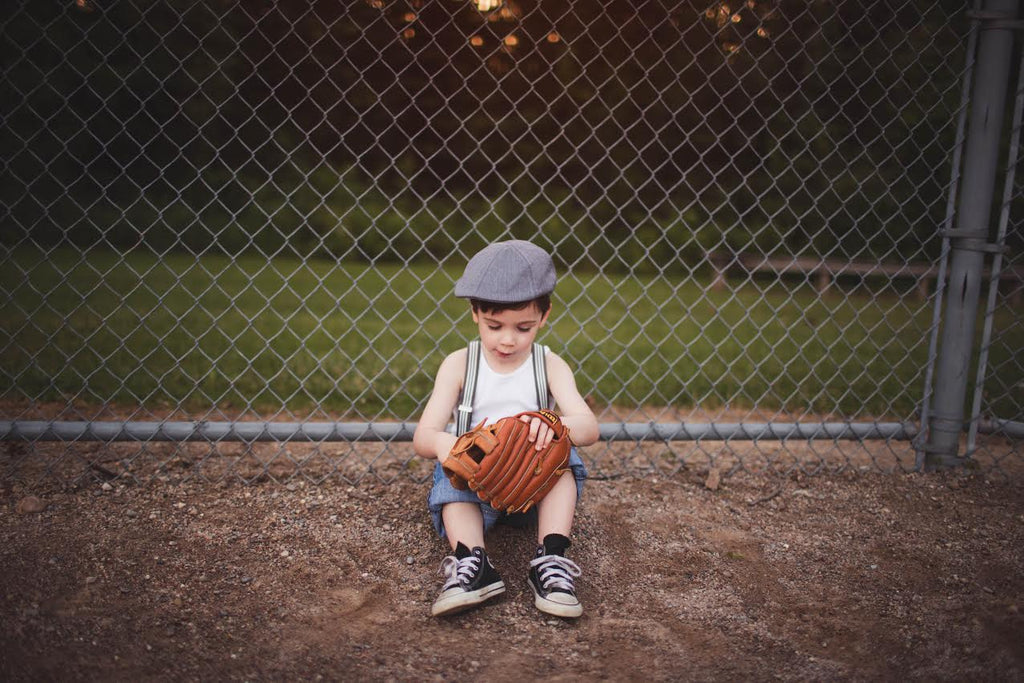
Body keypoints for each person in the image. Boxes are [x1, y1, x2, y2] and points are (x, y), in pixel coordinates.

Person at [413, 239, 600, 618]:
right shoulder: (460, 363)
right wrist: (445, 442)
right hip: (476, 491)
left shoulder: (548, 365)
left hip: (532, 490)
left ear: (544, 317)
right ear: (475, 313)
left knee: (562, 454)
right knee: (452, 468)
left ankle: (551, 559)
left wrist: (553, 424)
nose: (508, 339)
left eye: (524, 327)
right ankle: (472, 563)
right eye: (494, 325)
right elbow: (423, 437)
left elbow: (589, 428)